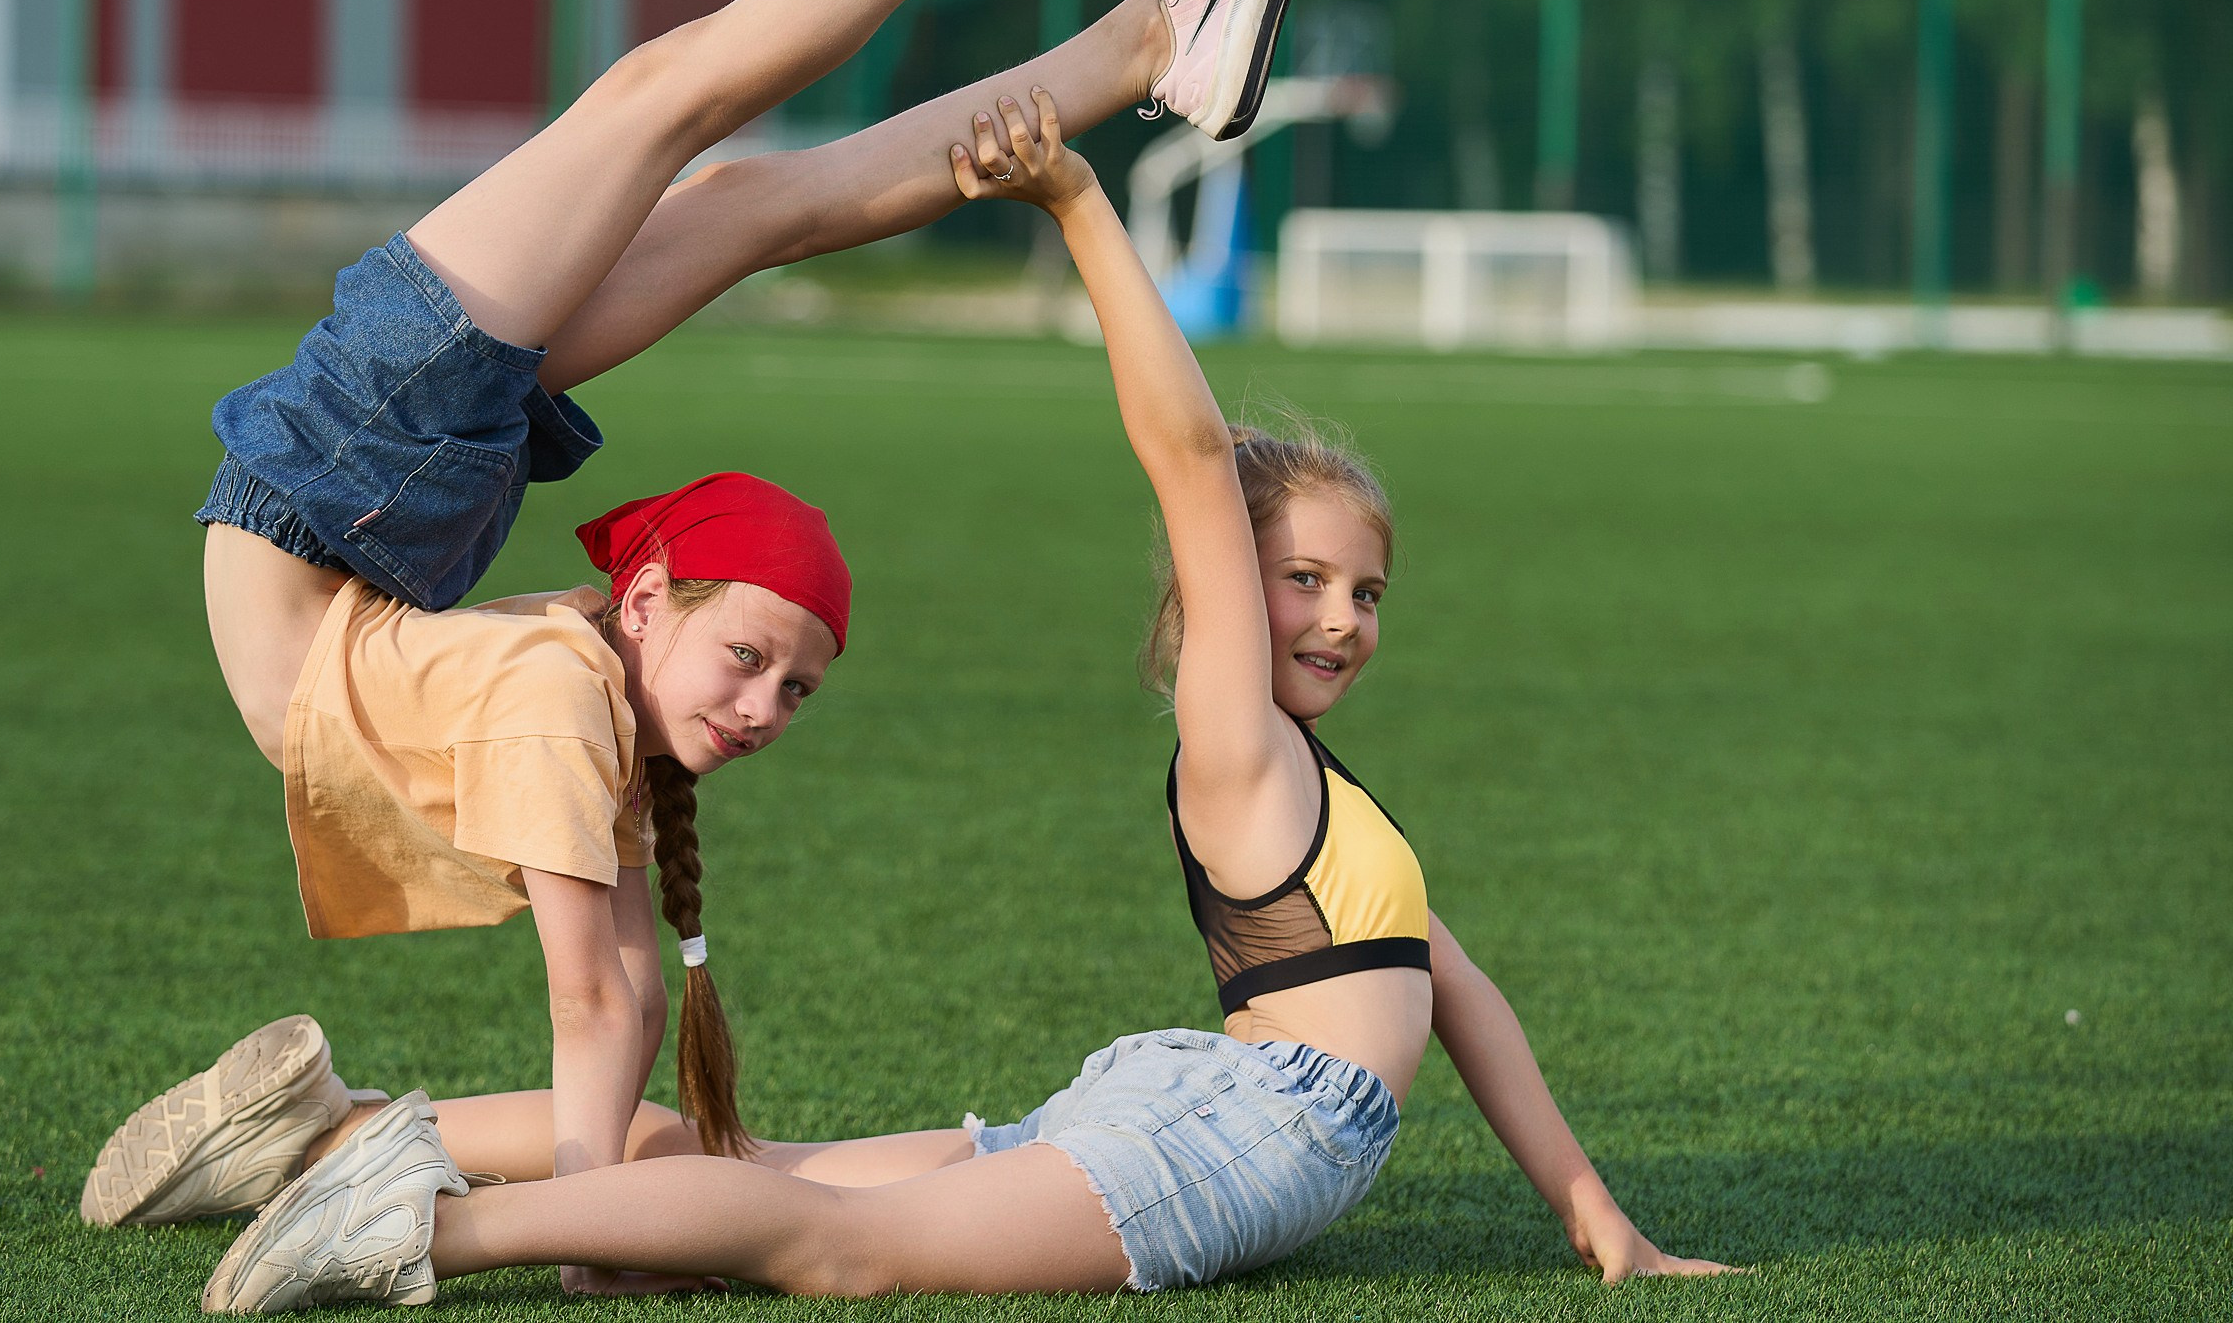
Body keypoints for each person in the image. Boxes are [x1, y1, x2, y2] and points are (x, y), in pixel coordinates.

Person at [85, 0, 1310, 1290]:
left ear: (640, 591)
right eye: (761, 667)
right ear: (646, 596)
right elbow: (617, 999)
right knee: (737, 181)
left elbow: (608, 998)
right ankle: (1138, 32)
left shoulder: (561, 702)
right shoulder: (571, 710)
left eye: (780, 684)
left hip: (346, 488)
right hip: (368, 520)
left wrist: (599, 1217)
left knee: (684, 102)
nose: (759, 712)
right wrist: (607, 1219)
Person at [166, 89, 1741, 1302]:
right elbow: (1191, 457)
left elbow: (1455, 990)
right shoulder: (1237, 733)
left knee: (760, 1168)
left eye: (1365, 590)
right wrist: (1077, 203)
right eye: (1301, 578)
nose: (1340, 616)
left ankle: (334, 1122)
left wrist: (1597, 1212)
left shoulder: (1334, 803)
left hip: (1205, 1097)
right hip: (1241, 1128)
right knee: (835, 1242)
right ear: (1216, 603)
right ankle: (424, 1220)